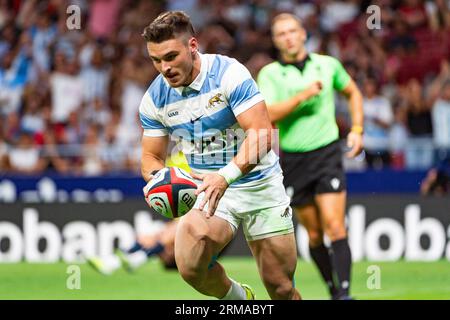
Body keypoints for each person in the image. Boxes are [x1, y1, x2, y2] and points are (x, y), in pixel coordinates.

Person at [139, 11, 300, 300]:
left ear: (192, 45)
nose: (164, 68)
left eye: (171, 56)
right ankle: (241, 301)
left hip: (258, 185)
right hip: (207, 190)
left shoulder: (229, 74)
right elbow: (151, 158)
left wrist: (225, 177)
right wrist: (157, 182)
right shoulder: (154, 99)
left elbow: (263, 134)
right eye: (156, 60)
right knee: (189, 267)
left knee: (282, 289)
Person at [257, 13, 364, 300]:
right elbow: (268, 113)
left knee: (335, 226)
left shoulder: (327, 65)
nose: (289, 37)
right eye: (281, 34)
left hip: (327, 153)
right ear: (275, 40)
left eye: (293, 31)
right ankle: (332, 288)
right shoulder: (269, 74)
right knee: (315, 235)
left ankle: (344, 294)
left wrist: (356, 129)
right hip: (293, 159)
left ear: (303, 33)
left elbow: (352, 92)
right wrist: (302, 96)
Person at [87, 219, 178, 275]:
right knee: (148, 238)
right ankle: (115, 261)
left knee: (169, 233)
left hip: (183, 257)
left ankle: (130, 260)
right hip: (176, 252)